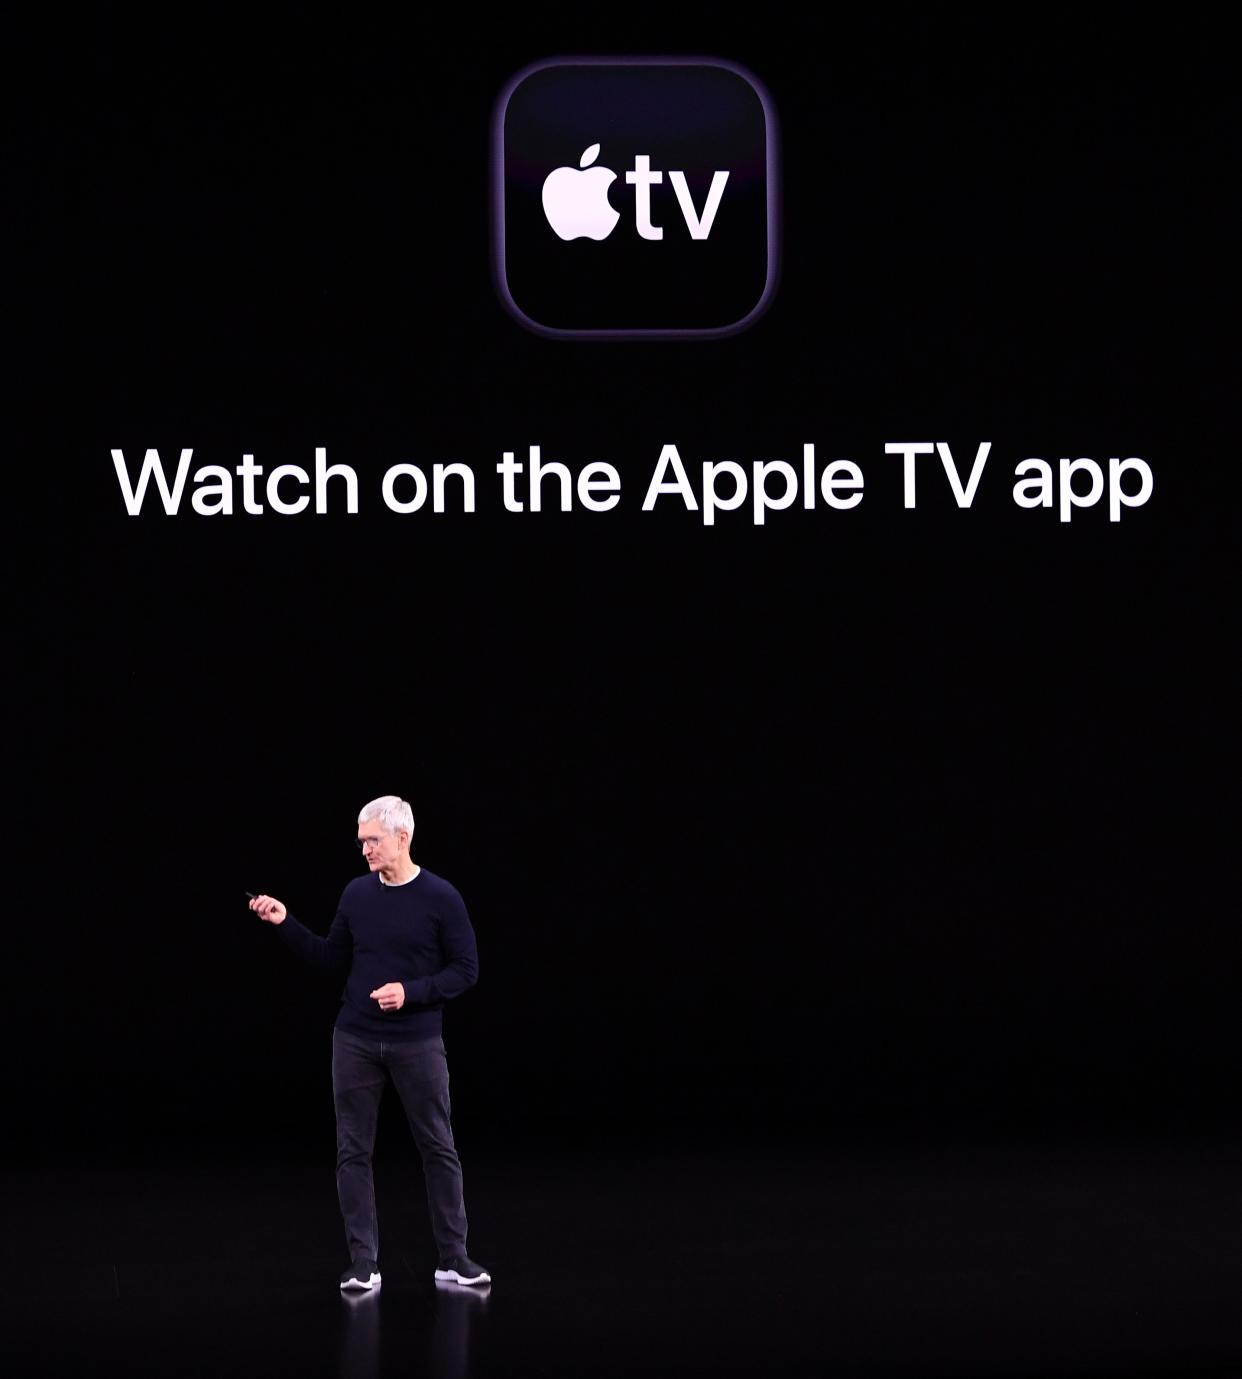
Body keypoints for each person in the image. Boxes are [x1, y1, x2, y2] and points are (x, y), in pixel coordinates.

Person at [249, 794, 490, 1291]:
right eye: (361, 842)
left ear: (403, 838)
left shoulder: (441, 897)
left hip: (417, 1043)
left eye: (372, 840)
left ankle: (453, 1257)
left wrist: (412, 992)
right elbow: (329, 958)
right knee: (352, 1152)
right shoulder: (356, 895)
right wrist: (284, 922)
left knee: (438, 1147)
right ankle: (365, 1263)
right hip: (355, 1040)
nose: (364, 850)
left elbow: (467, 970)